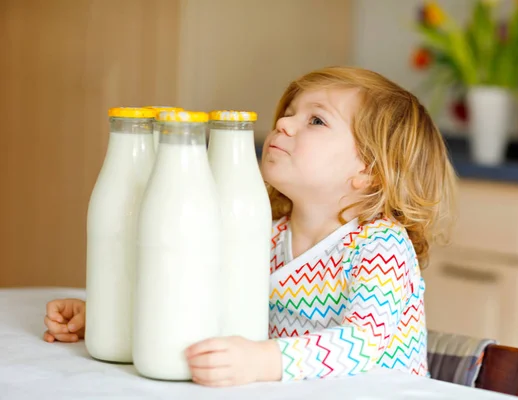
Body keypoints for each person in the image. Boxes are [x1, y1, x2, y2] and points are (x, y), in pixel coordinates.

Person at [43, 66, 457, 387]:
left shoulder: (380, 246)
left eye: (316, 121)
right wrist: (109, 319)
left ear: (368, 171)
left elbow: (363, 344)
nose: (283, 123)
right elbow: (200, 302)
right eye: (290, 112)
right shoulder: (265, 234)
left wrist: (264, 360)